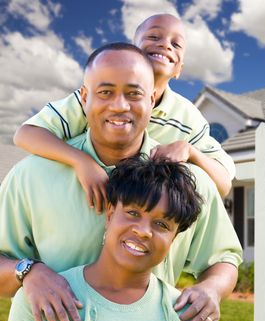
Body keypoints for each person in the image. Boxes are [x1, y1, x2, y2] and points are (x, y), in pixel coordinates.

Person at [0, 43, 242, 321]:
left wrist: (211, 290)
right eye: (105, 92)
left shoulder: (188, 183)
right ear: (85, 98)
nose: (119, 105)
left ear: (152, 99)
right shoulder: (31, 176)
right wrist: (28, 272)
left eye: (133, 93)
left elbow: (224, 257)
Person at [13, 13, 234, 207]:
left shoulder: (188, 117)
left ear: (179, 69)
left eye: (176, 45)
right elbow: (26, 134)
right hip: (83, 202)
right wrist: (81, 161)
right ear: (132, 51)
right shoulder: (96, 99)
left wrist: (190, 151)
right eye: (154, 37)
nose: (165, 45)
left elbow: (223, 185)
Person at [6, 156, 213, 321]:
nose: (142, 231)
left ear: (173, 239)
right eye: (133, 213)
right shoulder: (41, 297)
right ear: (110, 215)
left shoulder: (192, 316)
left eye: (161, 224)